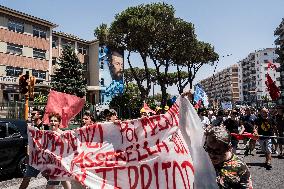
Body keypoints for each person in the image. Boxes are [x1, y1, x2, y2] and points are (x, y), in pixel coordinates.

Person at [19, 108, 48, 189]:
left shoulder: (46, 127)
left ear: (40, 115)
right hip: (34, 158)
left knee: (49, 178)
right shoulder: (31, 127)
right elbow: (29, 142)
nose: (31, 116)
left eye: (33, 114)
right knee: (26, 178)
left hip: (43, 158)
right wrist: (28, 156)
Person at [46, 113, 71, 189]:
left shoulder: (62, 134)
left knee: (50, 186)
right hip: (52, 163)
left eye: (55, 121)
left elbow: (67, 148)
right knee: (64, 182)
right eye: (51, 121)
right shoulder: (47, 134)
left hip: (61, 164)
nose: (53, 122)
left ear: (59, 123)